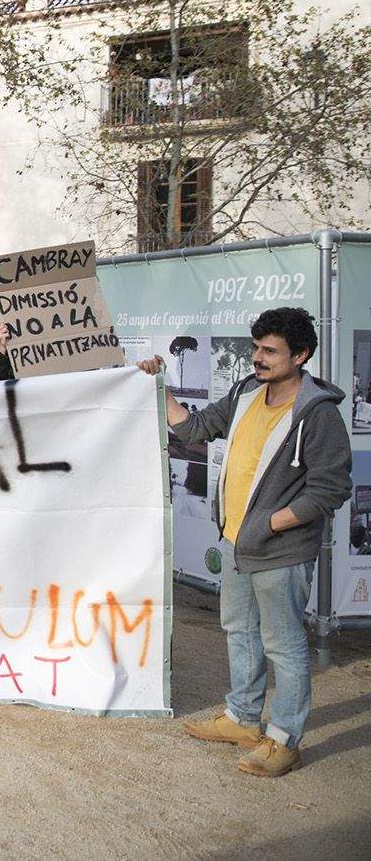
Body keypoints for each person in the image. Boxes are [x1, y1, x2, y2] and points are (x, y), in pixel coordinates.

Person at [138, 307, 350, 778]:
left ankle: (284, 740)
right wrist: (161, 388)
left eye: (270, 351)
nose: (258, 358)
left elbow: (331, 488)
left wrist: (272, 523)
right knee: (239, 632)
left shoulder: (317, 414)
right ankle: (243, 718)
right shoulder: (246, 392)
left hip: (280, 550)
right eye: (256, 348)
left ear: (301, 356)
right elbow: (194, 429)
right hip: (236, 542)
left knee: (285, 646)